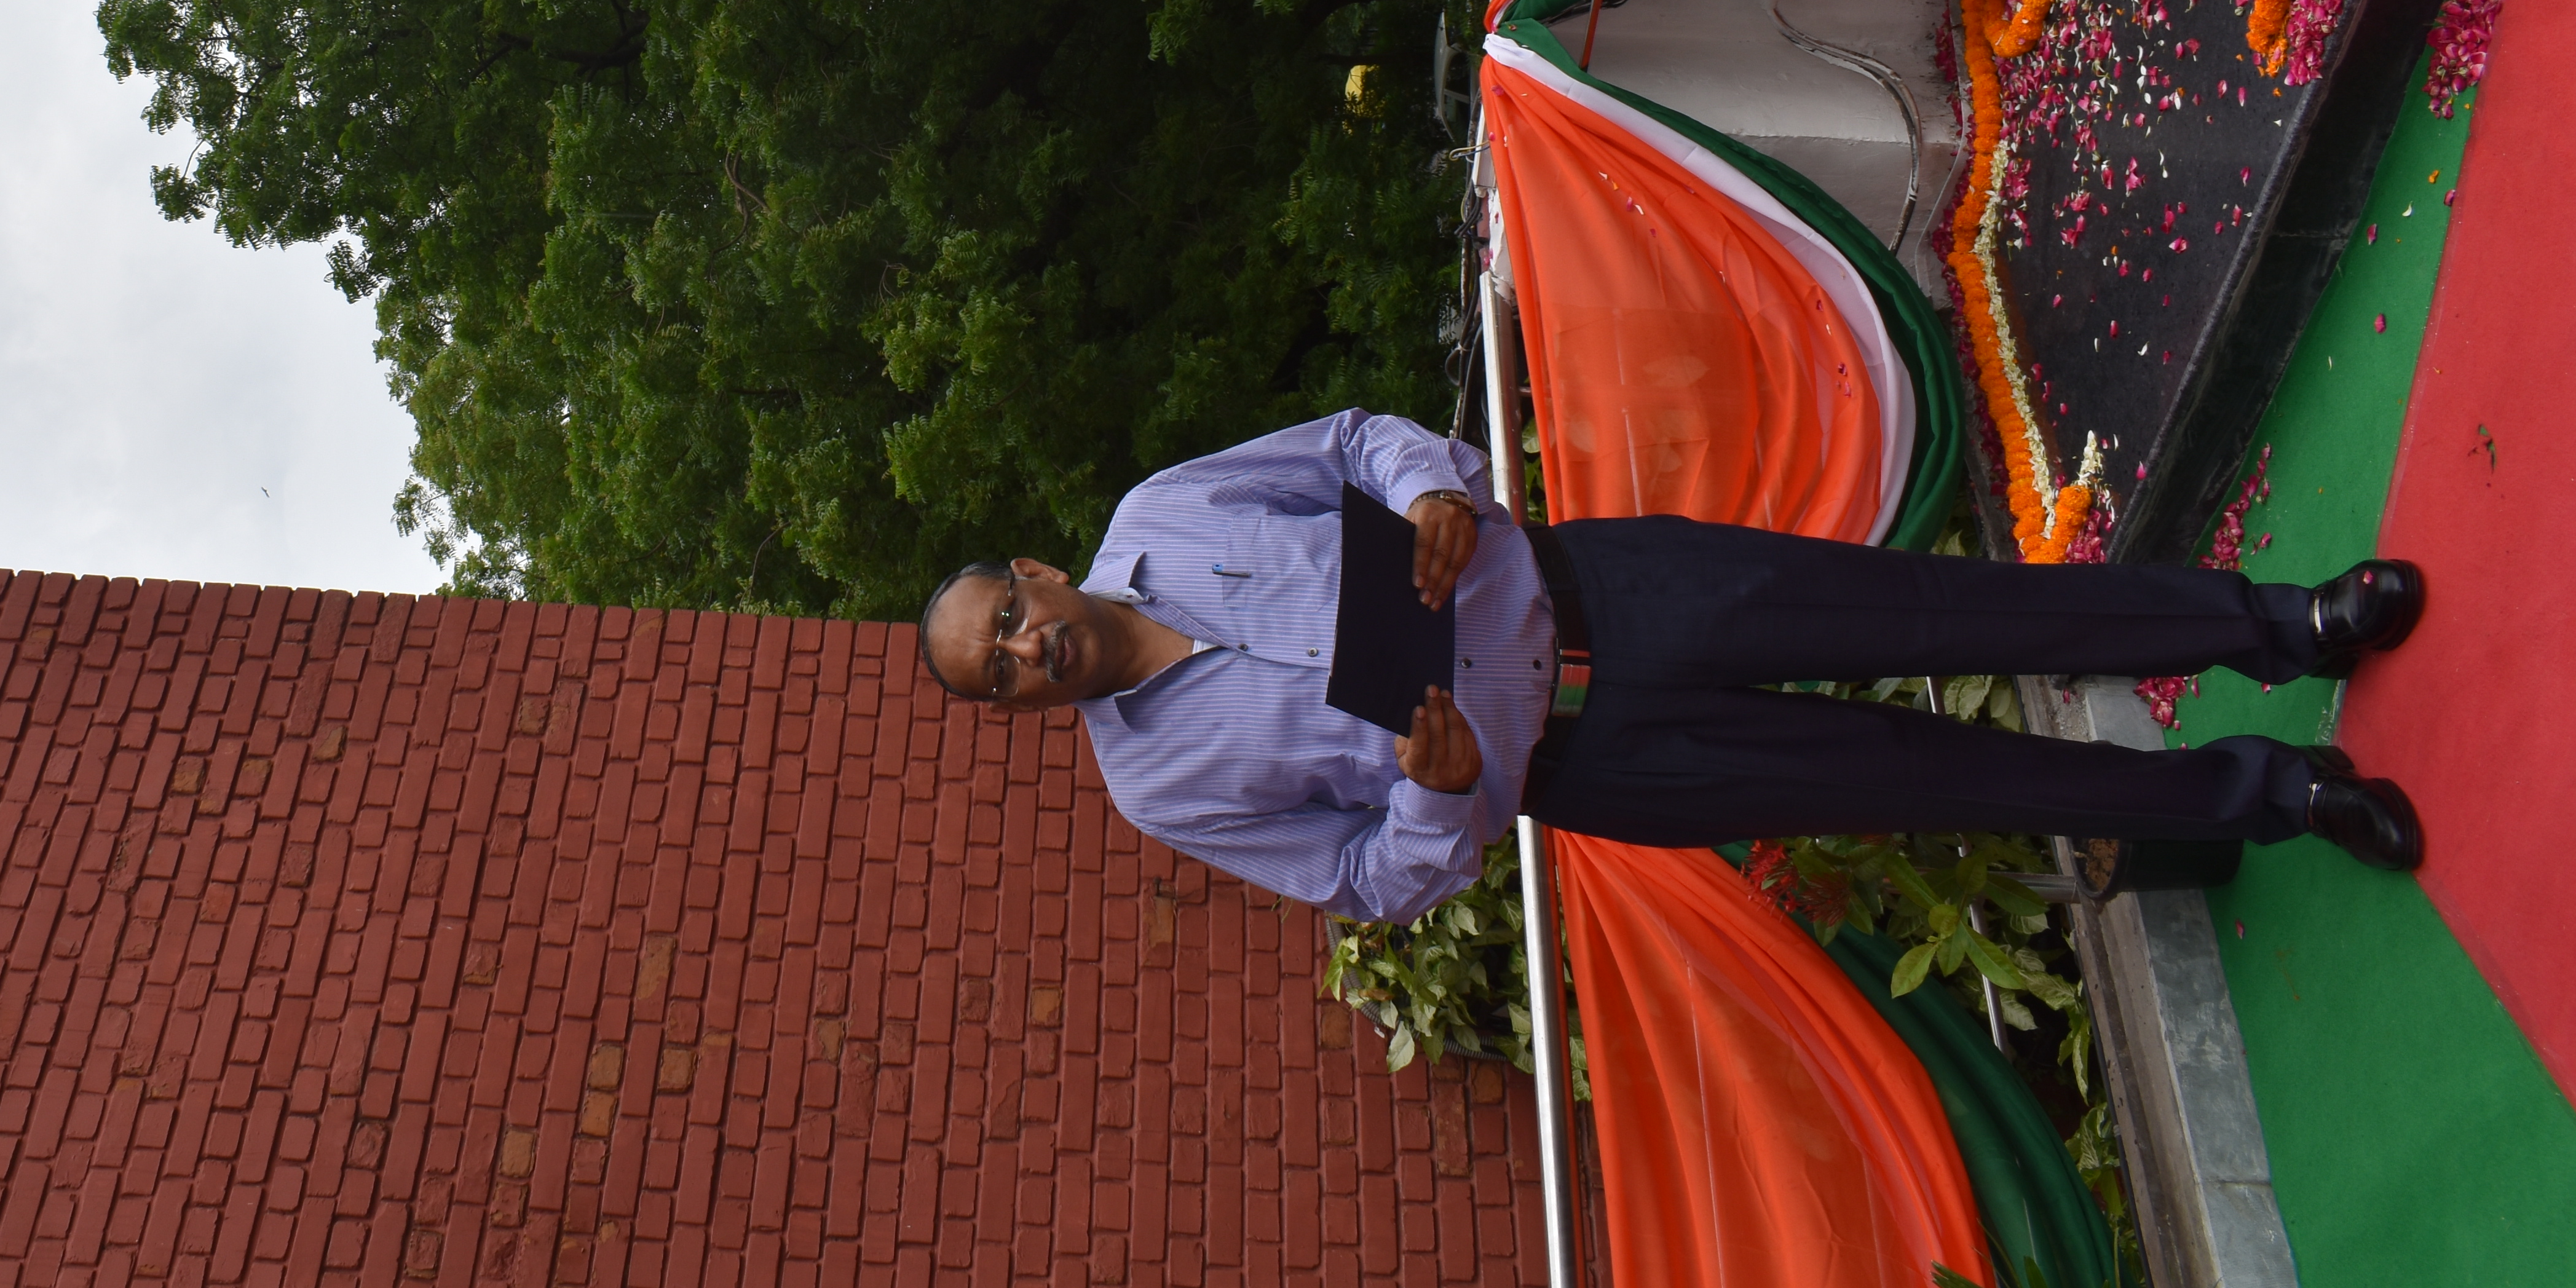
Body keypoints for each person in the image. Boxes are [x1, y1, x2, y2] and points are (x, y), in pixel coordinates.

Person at [915, 409, 2428, 923]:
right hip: (1596, 763)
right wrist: (1441, 798)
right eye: (1001, 676)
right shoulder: (1158, 786)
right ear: (1021, 710)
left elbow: (1350, 446)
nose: (1023, 652)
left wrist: (1437, 491)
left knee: (1946, 612)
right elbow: (1372, 880)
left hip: (1612, 587)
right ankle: (2279, 792)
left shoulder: (1164, 510)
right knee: (1939, 776)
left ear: (1035, 572)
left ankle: (2284, 623)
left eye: (1003, 617)